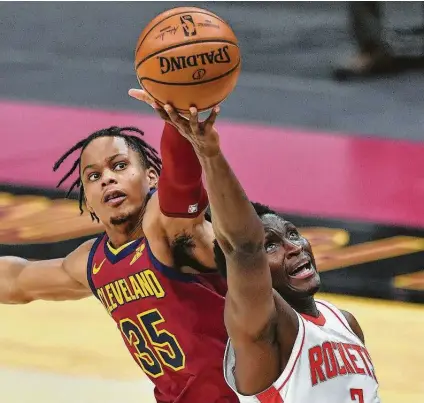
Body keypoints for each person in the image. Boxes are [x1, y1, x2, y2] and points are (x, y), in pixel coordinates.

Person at [0, 91, 237, 403]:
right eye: (94, 176)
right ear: (88, 199)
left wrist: (177, 121)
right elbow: (17, 281)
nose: (107, 179)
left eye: (120, 166)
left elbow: (182, 186)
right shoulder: (93, 262)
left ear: (152, 177)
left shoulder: (167, 225)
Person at [172, 106, 381, 402]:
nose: (295, 247)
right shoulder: (263, 331)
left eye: (293, 234)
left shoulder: (344, 321)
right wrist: (209, 153)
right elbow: (243, 247)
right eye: (270, 245)